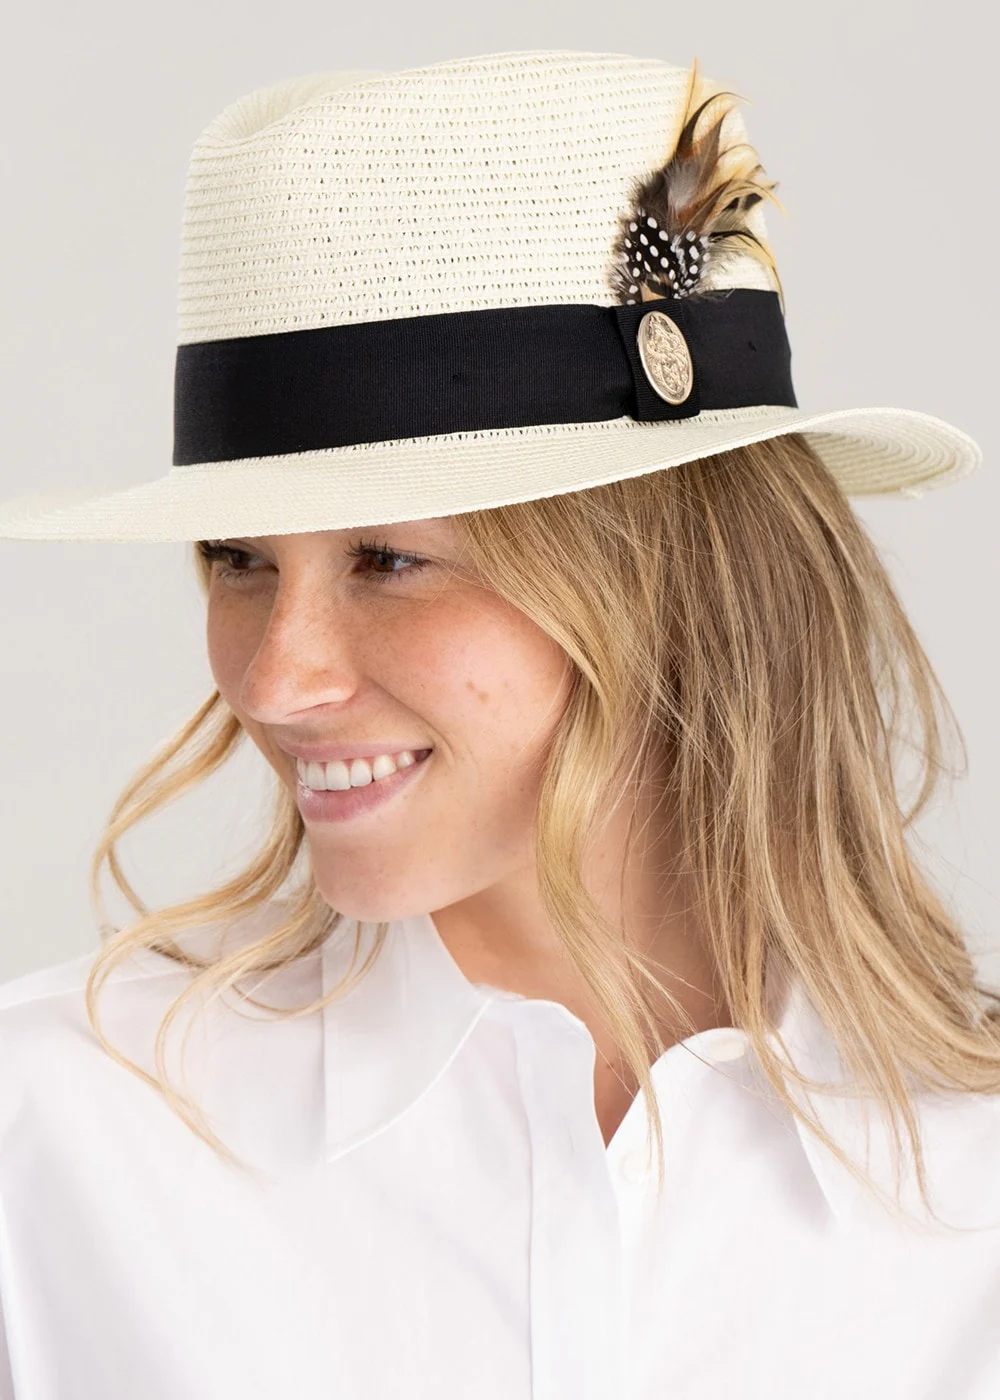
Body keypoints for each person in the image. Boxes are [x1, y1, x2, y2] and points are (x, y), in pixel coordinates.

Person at [0, 48, 997, 1400]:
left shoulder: (971, 1196)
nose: (275, 679)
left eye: (388, 560)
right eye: (238, 559)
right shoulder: (52, 1144)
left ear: (670, 584)